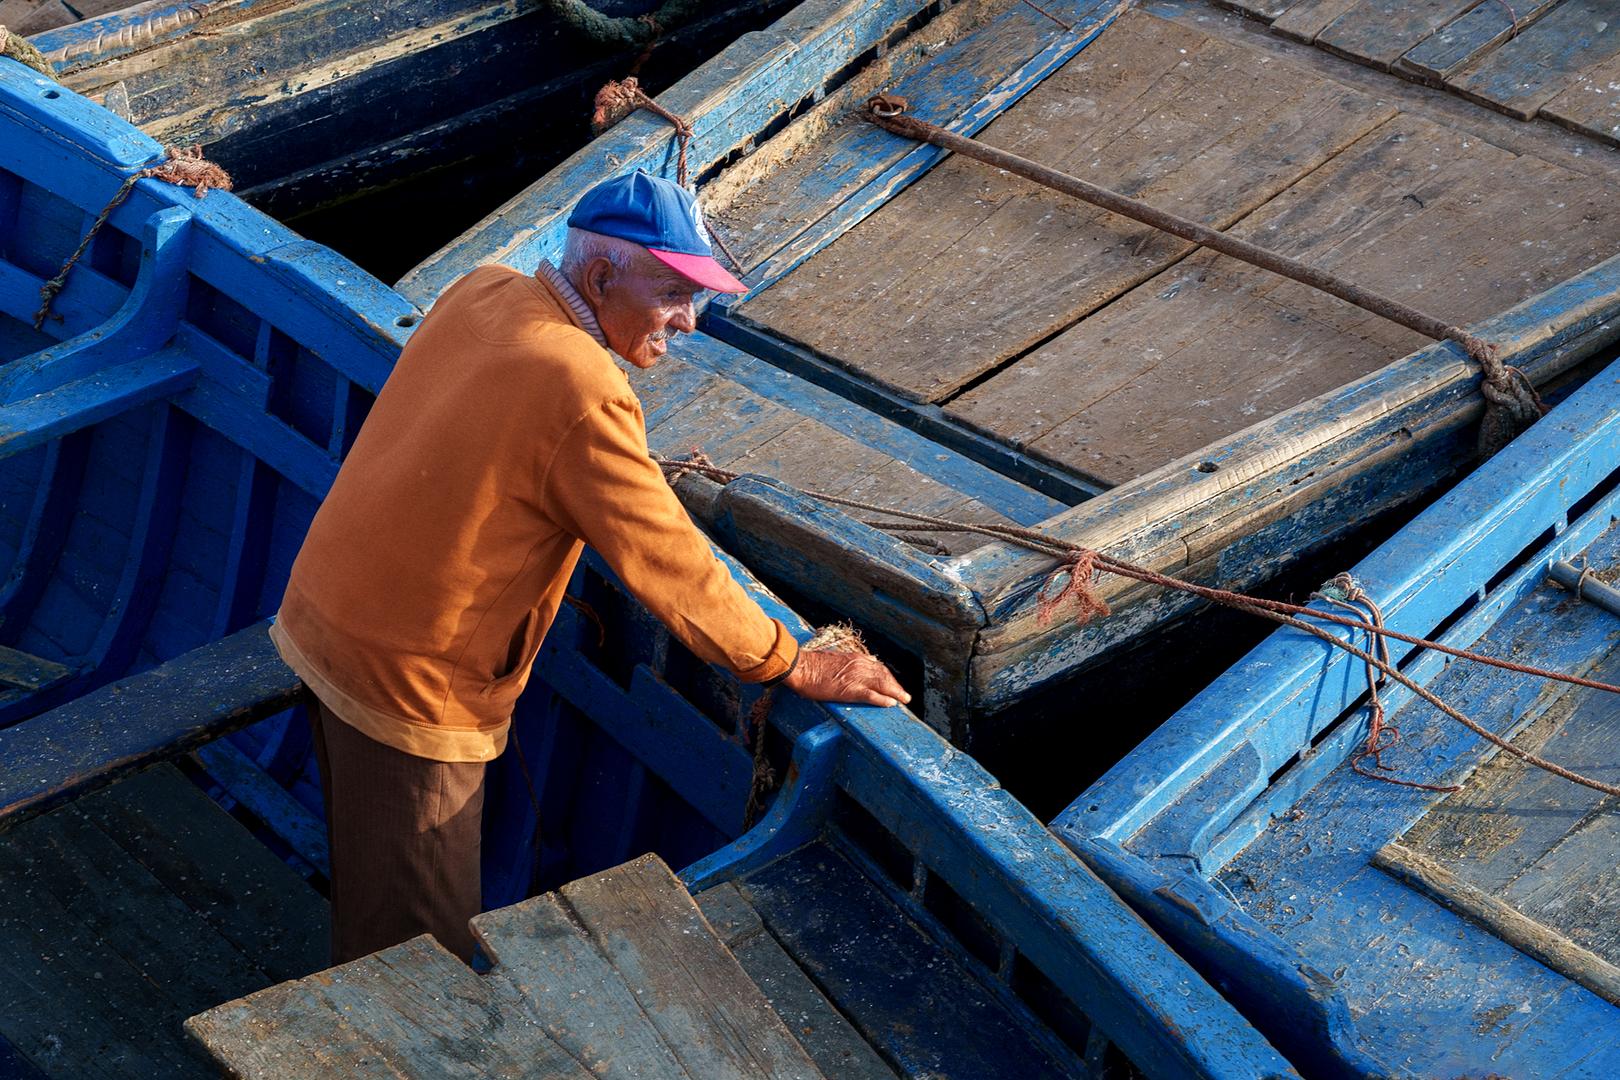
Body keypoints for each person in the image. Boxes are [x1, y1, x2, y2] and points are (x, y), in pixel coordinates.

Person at [270, 170, 909, 965]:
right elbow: (667, 559)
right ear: (601, 277)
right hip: (408, 686)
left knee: (373, 885)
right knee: (417, 951)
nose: (689, 322)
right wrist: (789, 660)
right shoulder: (582, 385)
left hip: (319, 618)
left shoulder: (483, 289)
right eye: (674, 294)